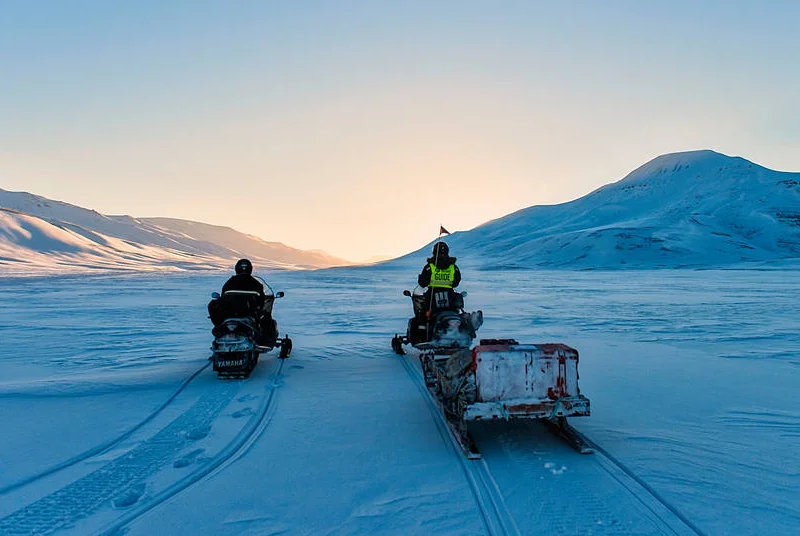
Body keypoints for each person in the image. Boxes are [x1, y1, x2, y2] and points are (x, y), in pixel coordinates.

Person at [209, 259, 277, 344]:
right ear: (250, 269)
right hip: (248, 313)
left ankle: (220, 330)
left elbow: (223, 296)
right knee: (265, 320)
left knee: (215, 309)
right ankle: (264, 341)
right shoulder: (255, 283)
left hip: (230, 313)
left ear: (236, 269)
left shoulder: (230, 282)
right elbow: (261, 299)